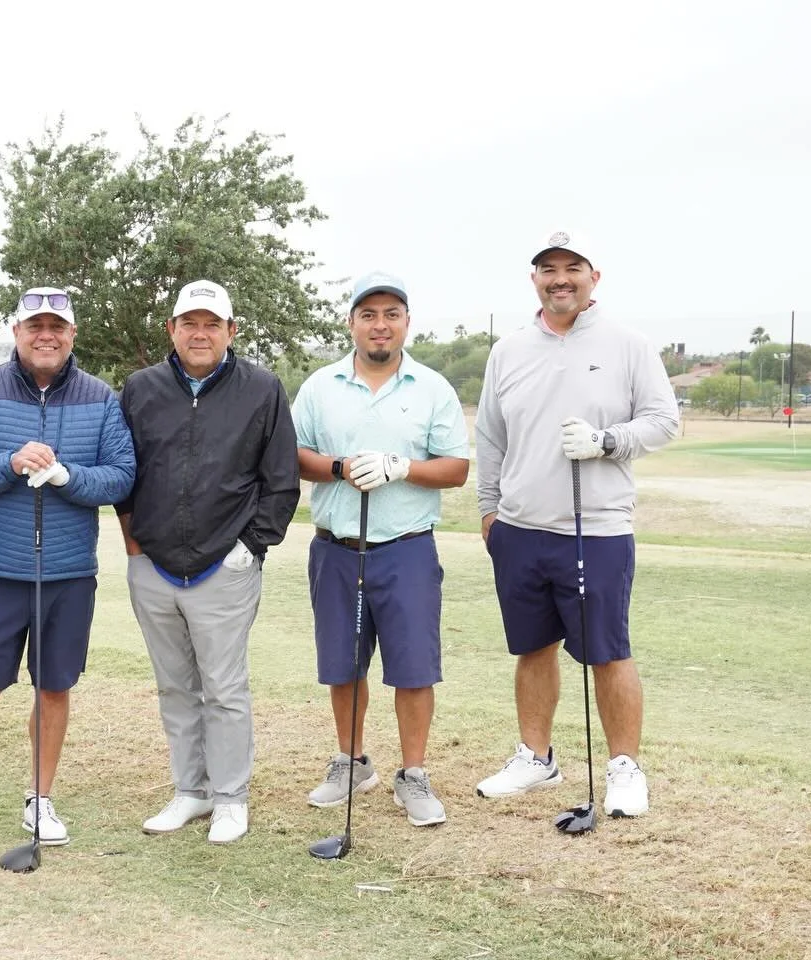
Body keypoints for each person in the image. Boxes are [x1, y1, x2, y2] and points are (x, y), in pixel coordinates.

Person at [0, 286, 135, 851]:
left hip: (67, 573)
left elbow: (121, 476)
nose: (46, 336)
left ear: (72, 335)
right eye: (35, 326)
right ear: (16, 332)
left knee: (54, 689)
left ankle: (41, 800)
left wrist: (69, 478)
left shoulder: (100, 397)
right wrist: (10, 464)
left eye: (57, 327)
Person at [474, 231, 678, 817]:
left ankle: (624, 767)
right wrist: (489, 509)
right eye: (547, 269)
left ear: (594, 275)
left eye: (572, 268)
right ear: (534, 278)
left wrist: (607, 442)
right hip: (519, 527)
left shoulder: (628, 344)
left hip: (598, 529)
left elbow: (665, 421)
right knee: (533, 648)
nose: (559, 278)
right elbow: (491, 436)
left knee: (608, 650)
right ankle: (537, 758)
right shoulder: (508, 350)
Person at [115, 279, 300, 844]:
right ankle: (190, 791)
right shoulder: (140, 388)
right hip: (153, 564)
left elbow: (281, 481)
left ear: (230, 331)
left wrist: (252, 548)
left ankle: (230, 798)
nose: (200, 333)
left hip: (226, 565)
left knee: (224, 688)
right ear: (171, 330)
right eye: (189, 323)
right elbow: (122, 470)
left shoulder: (262, 389)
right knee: (175, 686)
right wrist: (132, 541)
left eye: (212, 324)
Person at [290, 272, 469, 827]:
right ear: (351, 323)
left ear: (407, 323)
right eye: (369, 314)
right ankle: (351, 762)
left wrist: (403, 468)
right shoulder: (320, 386)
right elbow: (294, 455)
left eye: (392, 313)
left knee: (414, 669)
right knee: (343, 665)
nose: (380, 324)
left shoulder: (432, 388)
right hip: (337, 547)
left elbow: (457, 469)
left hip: (407, 548)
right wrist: (341, 468)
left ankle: (413, 773)